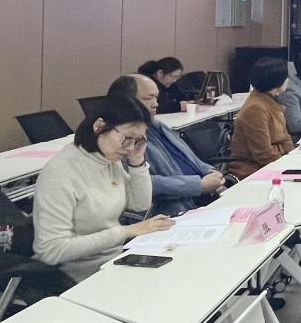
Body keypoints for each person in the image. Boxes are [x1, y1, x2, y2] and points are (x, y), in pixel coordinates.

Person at [33, 96, 174, 282]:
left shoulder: (108, 159)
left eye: (137, 140)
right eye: (127, 138)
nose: (130, 147)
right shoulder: (62, 172)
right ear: (99, 126)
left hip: (115, 260)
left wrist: (137, 161)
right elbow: (51, 251)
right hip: (78, 275)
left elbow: (139, 205)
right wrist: (125, 232)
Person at [107, 75, 226, 216]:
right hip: (173, 209)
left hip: (203, 196)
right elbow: (140, 183)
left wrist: (210, 171)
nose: (156, 104)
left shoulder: (155, 124)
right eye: (148, 98)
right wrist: (198, 185)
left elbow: (188, 157)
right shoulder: (117, 138)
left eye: (156, 97)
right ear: (125, 101)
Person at [229, 57, 295, 179]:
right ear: (276, 80)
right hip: (253, 170)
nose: (288, 80)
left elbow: (285, 138)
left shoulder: (271, 101)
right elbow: (264, 154)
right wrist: (287, 160)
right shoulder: (255, 109)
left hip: (275, 163)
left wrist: (292, 157)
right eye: (286, 77)